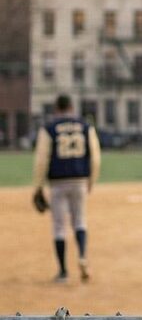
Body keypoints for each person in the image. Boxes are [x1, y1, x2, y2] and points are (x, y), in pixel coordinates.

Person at [32, 94, 102, 283]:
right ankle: (82, 256)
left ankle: (63, 271)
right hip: (79, 179)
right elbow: (95, 156)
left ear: (56, 108)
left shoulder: (49, 128)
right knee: (80, 220)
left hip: (58, 182)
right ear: (72, 107)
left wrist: (38, 187)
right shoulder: (85, 126)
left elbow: (41, 159)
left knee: (59, 226)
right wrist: (91, 181)